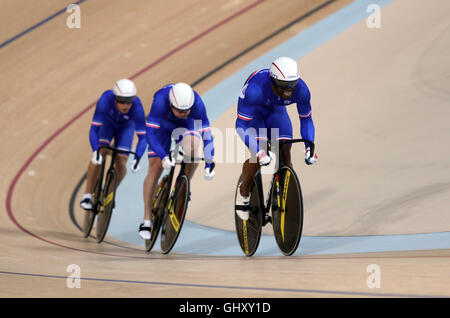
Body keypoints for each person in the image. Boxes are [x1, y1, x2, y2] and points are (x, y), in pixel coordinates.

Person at [235, 56, 318, 220]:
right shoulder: (255, 90)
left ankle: (284, 194)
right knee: (261, 153)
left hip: (276, 110)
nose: (288, 91)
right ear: (273, 81)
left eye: (292, 86)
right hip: (255, 112)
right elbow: (241, 126)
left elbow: (306, 119)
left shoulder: (301, 90)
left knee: (285, 150)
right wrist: (259, 152)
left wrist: (310, 147)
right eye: (283, 86)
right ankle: (244, 191)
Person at [139, 82, 215, 239]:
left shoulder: (197, 104)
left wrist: (209, 163)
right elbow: (150, 133)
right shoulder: (160, 100)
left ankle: (183, 184)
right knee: (155, 169)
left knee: (193, 149)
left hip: (187, 127)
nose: (184, 112)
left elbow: (207, 135)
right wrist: (163, 156)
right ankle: (147, 219)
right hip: (163, 127)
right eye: (180, 110)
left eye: (187, 110)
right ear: (171, 104)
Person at [80, 79, 147, 211]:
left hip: (126, 128)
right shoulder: (106, 100)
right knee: (102, 152)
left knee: (122, 162)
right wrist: (95, 151)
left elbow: (143, 138)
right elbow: (94, 129)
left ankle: (109, 192)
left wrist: (137, 158)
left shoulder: (137, 107)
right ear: (115, 98)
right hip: (108, 124)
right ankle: (87, 195)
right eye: (121, 101)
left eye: (129, 101)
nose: (125, 105)